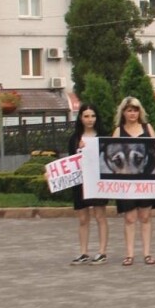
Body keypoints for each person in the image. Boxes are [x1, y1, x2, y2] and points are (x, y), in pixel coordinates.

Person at [111, 96, 155, 266]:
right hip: (126, 181)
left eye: (135, 110)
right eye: (129, 110)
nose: (132, 113)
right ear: (123, 112)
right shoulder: (118, 131)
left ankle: (147, 254)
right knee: (129, 217)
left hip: (146, 180)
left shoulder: (147, 128)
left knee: (145, 215)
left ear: (139, 112)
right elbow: (110, 153)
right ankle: (129, 254)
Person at [65, 104, 108, 265]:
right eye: (86, 116)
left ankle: (102, 252)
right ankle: (83, 252)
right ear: (81, 118)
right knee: (83, 218)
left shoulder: (103, 136)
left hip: (98, 182)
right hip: (80, 182)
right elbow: (69, 162)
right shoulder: (74, 138)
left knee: (100, 216)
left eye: (93, 116)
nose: (90, 119)